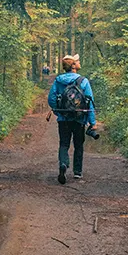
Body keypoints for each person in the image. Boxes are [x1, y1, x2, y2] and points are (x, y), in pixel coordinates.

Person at [48, 53, 97, 184]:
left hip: (64, 119)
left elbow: (51, 99)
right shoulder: (83, 81)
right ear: (73, 65)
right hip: (79, 119)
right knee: (78, 145)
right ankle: (77, 172)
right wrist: (92, 122)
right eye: (78, 61)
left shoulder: (58, 81)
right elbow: (89, 102)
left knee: (64, 144)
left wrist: (59, 112)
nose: (79, 62)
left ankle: (63, 164)